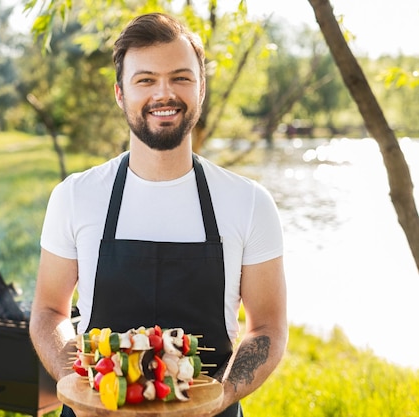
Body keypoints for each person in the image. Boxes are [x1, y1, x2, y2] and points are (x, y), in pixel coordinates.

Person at [29, 12, 287, 417]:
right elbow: (49, 311)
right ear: (120, 93)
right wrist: (78, 386)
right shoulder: (75, 196)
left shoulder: (248, 201)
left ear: (200, 89)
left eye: (181, 78)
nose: (163, 94)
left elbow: (267, 327)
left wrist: (219, 396)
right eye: (145, 80)